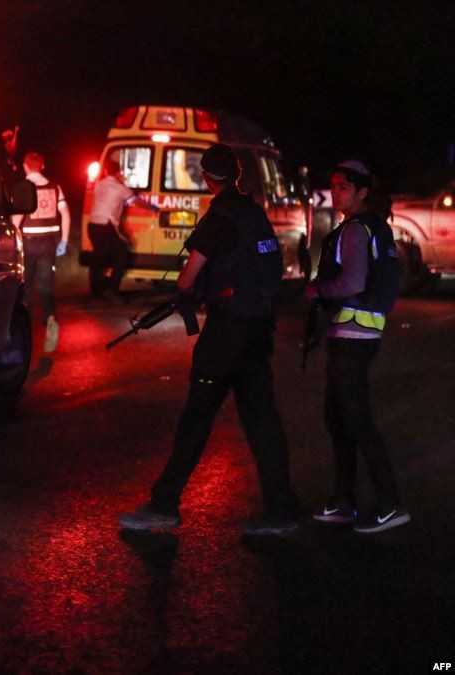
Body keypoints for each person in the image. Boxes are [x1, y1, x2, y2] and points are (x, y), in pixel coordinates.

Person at [119, 143, 299, 536]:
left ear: (206, 177)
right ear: (237, 174)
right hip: (257, 330)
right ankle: (282, 510)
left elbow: (187, 278)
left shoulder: (219, 218)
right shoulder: (255, 213)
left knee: (196, 421)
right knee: (263, 422)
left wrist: (195, 292)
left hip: (225, 334)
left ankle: (163, 505)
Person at [306, 160, 407, 533]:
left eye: (344, 187)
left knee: (356, 420)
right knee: (339, 419)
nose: (336, 192)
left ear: (362, 192)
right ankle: (343, 501)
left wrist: (317, 289)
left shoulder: (354, 230)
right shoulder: (373, 226)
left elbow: (352, 282)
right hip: (360, 334)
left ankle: (390, 503)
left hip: (353, 336)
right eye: (333, 186)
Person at [13, 151, 71, 353]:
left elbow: (16, 220)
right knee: (46, 284)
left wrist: (13, 242)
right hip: (49, 243)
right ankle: (50, 318)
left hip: (28, 242)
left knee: (26, 285)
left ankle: (24, 329)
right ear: (43, 166)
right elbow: (65, 213)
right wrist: (64, 240)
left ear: (25, 166)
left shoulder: (23, 188)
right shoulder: (54, 187)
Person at [86, 159, 158, 302]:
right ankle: (111, 290)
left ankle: (96, 292)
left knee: (99, 259)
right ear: (119, 172)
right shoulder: (120, 188)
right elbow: (136, 201)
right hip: (106, 226)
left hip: (93, 225)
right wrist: (152, 207)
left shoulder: (100, 184)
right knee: (122, 256)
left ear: (105, 171)